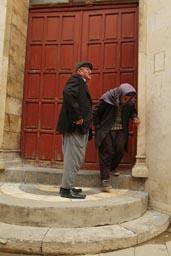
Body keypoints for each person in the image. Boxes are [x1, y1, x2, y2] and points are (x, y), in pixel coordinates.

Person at [92, 83, 140, 192]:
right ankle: (105, 179)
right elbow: (95, 113)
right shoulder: (107, 99)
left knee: (120, 149)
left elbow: (132, 111)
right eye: (125, 97)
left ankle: (112, 168)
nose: (126, 100)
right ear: (120, 94)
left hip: (121, 129)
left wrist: (135, 117)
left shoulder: (129, 102)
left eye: (128, 98)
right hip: (106, 130)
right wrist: (98, 127)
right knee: (106, 152)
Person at [57, 61, 93, 199]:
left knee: (76, 159)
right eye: (87, 69)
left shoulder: (82, 84)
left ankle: (67, 186)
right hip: (75, 128)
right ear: (79, 71)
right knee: (73, 159)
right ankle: (66, 190)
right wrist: (77, 116)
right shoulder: (76, 79)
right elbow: (67, 93)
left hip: (80, 129)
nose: (91, 72)